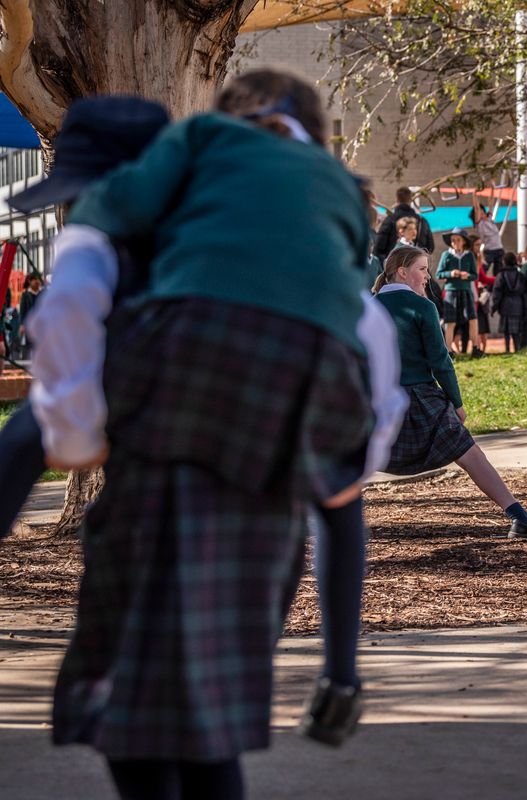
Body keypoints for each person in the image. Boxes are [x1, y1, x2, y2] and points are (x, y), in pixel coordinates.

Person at [31, 72, 407, 799]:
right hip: (274, 481)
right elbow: (344, 492)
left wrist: (75, 435)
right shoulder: (342, 240)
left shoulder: (184, 185)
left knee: (124, 707)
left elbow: (84, 262)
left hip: (165, 437)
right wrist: (341, 672)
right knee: (211, 728)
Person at [0, 96, 171, 540]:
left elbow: (64, 323)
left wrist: (72, 439)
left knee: (23, 434)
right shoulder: (202, 228)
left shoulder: (88, 240)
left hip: (128, 393)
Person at [374, 245, 527, 538]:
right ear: (402, 272)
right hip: (420, 400)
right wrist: (456, 402)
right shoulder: (422, 307)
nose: (428, 276)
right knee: (469, 453)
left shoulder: (365, 308)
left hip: (375, 402)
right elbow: (441, 362)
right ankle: (520, 518)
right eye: (422, 269)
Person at [437, 227, 478, 354]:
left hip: (466, 291)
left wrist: (468, 276)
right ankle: (448, 351)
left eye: (458, 240)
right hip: (451, 292)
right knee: (450, 322)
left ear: (464, 241)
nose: (455, 242)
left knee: (473, 320)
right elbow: (439, 274)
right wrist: (451, 273)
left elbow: (475, 275)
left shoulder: (469, 256)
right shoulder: (446, 255)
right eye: (453, 240)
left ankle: (475, 348)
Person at [374, 186, 433, 259]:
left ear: (397, 199)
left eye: (414, 229)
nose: (414, 232)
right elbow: (430, 247)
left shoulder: (390, 220)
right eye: (410, 229)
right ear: (411, 199)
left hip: (394, 263)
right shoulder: (421, 221)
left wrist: (387, 263)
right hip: (415, 263)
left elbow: (378, 248)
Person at [492, 251, 527, 352]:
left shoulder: (501, 275)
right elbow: (524, 292)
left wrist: (494, 306)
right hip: (518, 305)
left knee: (506, 331)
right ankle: (517, 348)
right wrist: (525, 306)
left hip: (505, 305)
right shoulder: (520, 275)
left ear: (504, 262)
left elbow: (497, 292)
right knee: (516, 331)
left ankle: (507, 349)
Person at [473, 204, 506, 276]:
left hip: (499, 249)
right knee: (483, 269)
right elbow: (476, 208)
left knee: (499, 272)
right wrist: (474, 197)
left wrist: (491, 195)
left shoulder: (490, 219)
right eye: (480, 214)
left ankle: (496, 282)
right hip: (489, 250)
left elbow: (490, 203)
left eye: (483, 212)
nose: (483, 214)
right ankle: (478, 280)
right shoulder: (479, 224)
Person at [14, 273, 41, 359]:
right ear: (30, 281)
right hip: (30, 324)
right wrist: (22, 324)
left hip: (41, 323)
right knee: (29, 344)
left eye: (38, 279)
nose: (37, 281)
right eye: (35, 279)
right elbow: (22, 311)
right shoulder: (25, 295)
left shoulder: (42, 293)